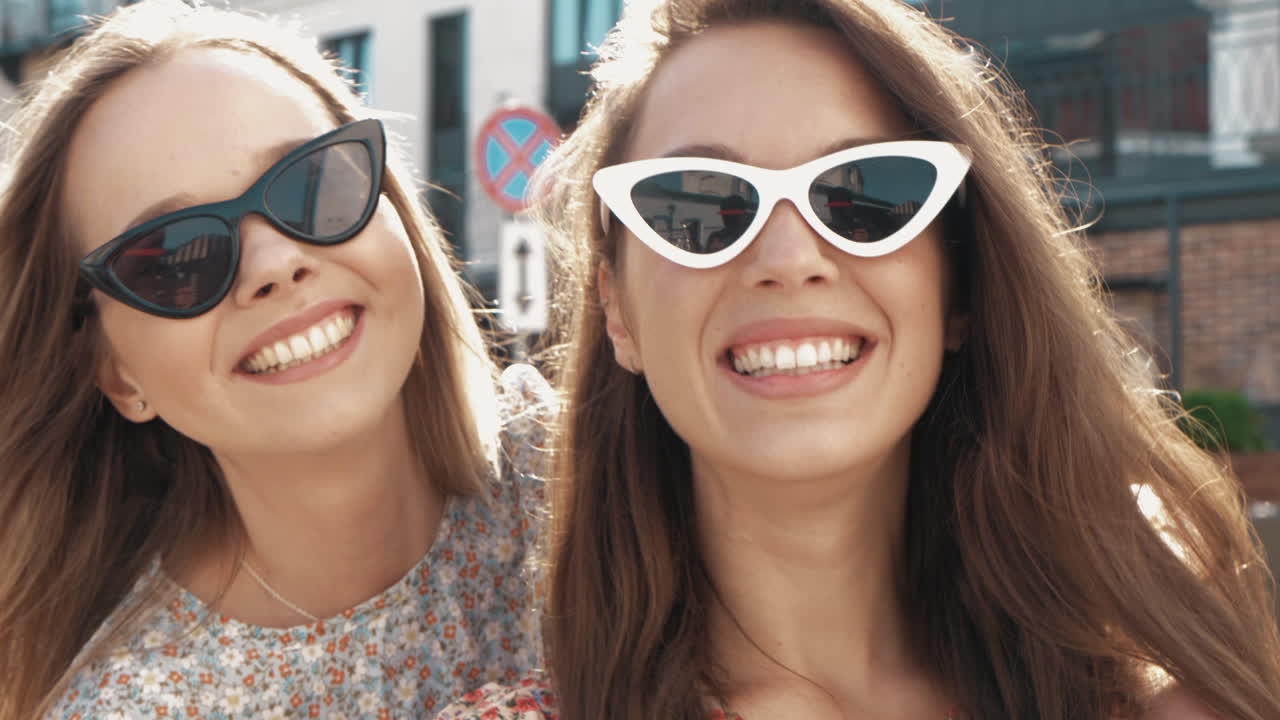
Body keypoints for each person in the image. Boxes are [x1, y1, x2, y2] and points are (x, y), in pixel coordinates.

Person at [437, 0, 1280, 719]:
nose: (788, 257)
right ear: (617, 310)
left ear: (959, 285)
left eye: (867, 192)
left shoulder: (1152, 699)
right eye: (699, 203)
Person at [0, 2, 550, 718]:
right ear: (115, 371)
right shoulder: (129, 707)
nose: (275, 263)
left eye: (312, 182)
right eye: (178, 255)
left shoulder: (579, 479)